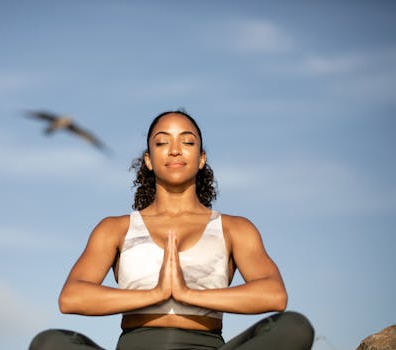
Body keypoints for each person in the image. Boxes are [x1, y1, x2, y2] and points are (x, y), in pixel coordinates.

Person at [29, 110, 314, 350]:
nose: (175, 149)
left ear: (201, 158)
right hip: (135, 344)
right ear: (149, 160)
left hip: (207, 345)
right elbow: (71, 298)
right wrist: (155, 294)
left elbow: (274, 294)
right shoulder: (114, 228)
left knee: (294, 327)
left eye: (187, 142)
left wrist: (187, 294)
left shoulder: (234, 228)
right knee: (48, 342)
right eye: (162, 142)